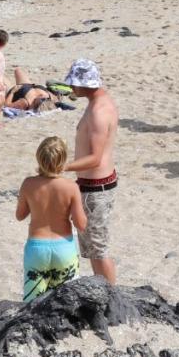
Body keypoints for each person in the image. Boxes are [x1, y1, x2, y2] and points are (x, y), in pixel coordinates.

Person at [60, 59, 119, 283]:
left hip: (96, 189)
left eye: (74, 83)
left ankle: (112, 296)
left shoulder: (98, 112)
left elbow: (95, 158)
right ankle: (105, 293)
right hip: (94, 186)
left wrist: (63, 167)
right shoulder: (99, 102)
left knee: (99, 250)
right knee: (94, 249)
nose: (71, 88)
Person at [16, 136, 86, 301]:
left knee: (33, 302)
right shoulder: (71, 187)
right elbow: (81, 224)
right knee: (66, 301)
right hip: (63, 247)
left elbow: (20, 215)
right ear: (63, 161)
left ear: (39, 158)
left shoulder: (28, 183)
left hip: (37, 248)